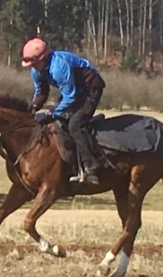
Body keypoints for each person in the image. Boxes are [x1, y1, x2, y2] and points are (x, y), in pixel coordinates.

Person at [21, 37, 106, 185]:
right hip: (75, 91)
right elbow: (41, 92)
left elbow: (70, 96)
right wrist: (33, 108)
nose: (32, 67)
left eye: (34, 63)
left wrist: (50, 113)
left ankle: (91, 168)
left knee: (75, 124)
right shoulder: (37, 70)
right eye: (30, 64)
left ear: (44, 58)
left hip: (90, 89)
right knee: (57, 123)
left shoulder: (58, 67)